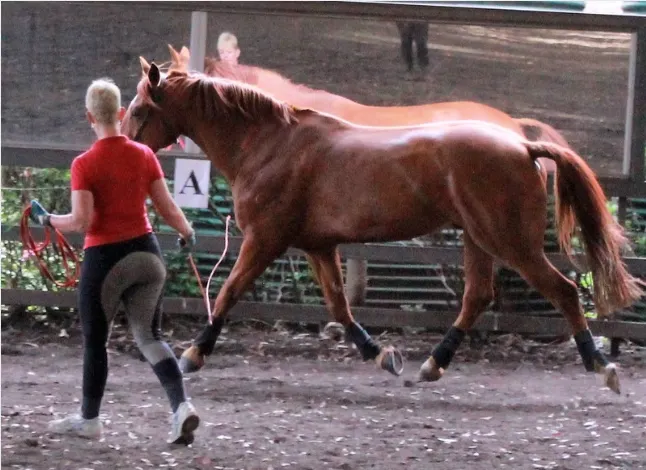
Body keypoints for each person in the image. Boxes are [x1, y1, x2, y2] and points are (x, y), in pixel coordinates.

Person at [29, 78, 200, 445]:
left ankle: (89, 420)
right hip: (147, 255)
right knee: (150, 337)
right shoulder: (144, 155)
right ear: (121, 113)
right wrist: (186, 231)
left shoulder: (85, 163)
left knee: (96, 341)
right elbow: (167, 208)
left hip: (106, 259)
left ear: (88, 116)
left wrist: (47, 220)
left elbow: (82, 222)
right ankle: (181, 407)